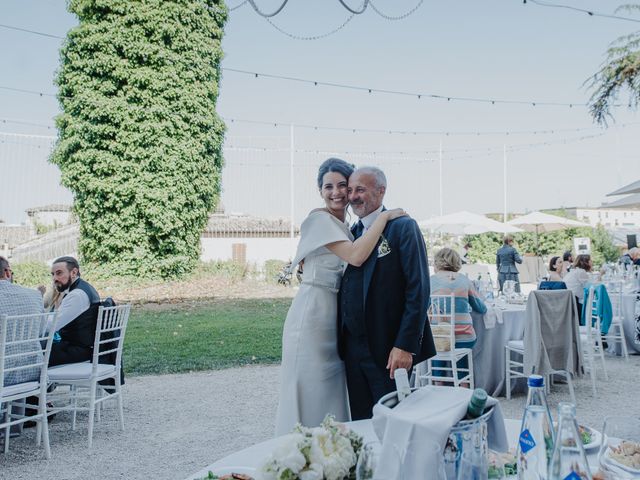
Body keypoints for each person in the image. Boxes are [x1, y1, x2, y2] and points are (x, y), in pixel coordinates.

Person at [275, 159, 407, 435]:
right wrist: (383, 217)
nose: (335, 192)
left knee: (330, 392)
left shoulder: (347, 226)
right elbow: (356, 257)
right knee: (310, 389)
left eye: (342, 186)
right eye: (328, 187)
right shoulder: (318, 220)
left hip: (333, 321)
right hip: (311, 317)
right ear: (319, 191)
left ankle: (331, 453)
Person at [338, 166, 436, 420]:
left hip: (388, 349)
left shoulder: (403, 227)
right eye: (350, 190)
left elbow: (419, 288)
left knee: (394, 421)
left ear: (381, 191)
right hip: (353, 348)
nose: (352, 196)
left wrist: (405, 345)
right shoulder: (354, 233)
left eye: (360, 189)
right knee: (361, 420)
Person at [429, 248, 486, 381]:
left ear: (437, 262)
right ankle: (464, 387)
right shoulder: (465, 280)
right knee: (461, 361)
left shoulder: (429, 281)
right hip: (465, 337)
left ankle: (438, 386)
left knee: (437, 346)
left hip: (439, 337)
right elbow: (481, 308)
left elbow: (424, 309)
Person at [48, 256, 101, 366]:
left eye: (59, 273)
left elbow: (52, 326)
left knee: (32, 355)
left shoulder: (77, 295)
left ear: (74, 272)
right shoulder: (83, 288)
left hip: (78, 350)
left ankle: (40, 383)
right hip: (79, 347)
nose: (55, 279)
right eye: (53, 274)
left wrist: (31, 328)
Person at [0, 256, 44, 386]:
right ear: (7, 272)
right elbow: (40, 333)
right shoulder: (35, 295)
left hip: (3, 377)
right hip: (34, 371)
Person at [563, 254, 592, 322]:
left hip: (568, 300)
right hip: (574, 302)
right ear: (585, 262)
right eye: (590, 260)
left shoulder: (575, 271)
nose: (592, 262)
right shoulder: (581, 272)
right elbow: (590, 287)